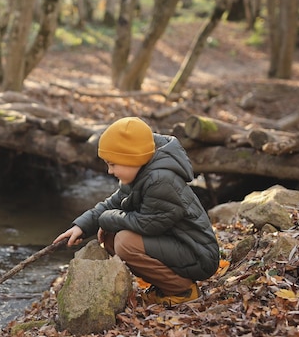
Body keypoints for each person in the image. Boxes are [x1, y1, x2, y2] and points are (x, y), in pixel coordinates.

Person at [53, 116, 220, 306]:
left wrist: (107, 219)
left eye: (113, 164)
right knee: (111, 235)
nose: (109, 171)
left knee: (125, 242)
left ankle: (182, 291)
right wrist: (82, 226)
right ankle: (163, 284)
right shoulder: (141, 172)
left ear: (132, 158)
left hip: (198, 253)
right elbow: (113, 203)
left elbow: (149, 225)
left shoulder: (161, 180)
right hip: (178, 245)